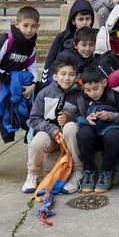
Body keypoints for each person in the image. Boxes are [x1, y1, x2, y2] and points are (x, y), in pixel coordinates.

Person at [0, 6, 39, 181]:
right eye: (25, 25)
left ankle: (36, 162)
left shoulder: (31, 46)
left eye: (33, 26)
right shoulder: (6, 40)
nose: (29, 30)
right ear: (16, 24)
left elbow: (33, 67)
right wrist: (12, 80)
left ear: (37, 27)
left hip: (11, 85)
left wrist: (32, 85)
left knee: (27, 119)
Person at [23, 57, 82, 194]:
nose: (67, 78)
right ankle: (33, 174)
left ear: (77, 77)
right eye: (63, 74)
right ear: (55, 76)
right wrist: (52, 129)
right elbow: (34, 119)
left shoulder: (80, 95)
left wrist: (70, 118)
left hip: (69, 140)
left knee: (70, 127)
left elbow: (84, 115)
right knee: (39, 139)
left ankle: (78, 171)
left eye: (71, 74)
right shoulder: (44, 93)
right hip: (52, 138)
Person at [76, 64, 119, 194]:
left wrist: (112, 116)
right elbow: (76, 117)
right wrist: (86, 119)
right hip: (93, 135)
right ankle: (89, 170)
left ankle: (106, 171)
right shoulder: (83, 98)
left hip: (112, 133)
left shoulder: (117, 94)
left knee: (113, 135)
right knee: (83, 133)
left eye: (96, 88)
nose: (92, 93)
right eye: (88, 90)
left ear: (104, 83)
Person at [42, 0, 93, 88]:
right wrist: (44, 84)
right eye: (81, 19)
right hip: (63, 79)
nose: (84, 23)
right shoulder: (62, 37)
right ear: (73, 21)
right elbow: (49, 63)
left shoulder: (96, 36)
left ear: (92, 20)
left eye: (87, 19)